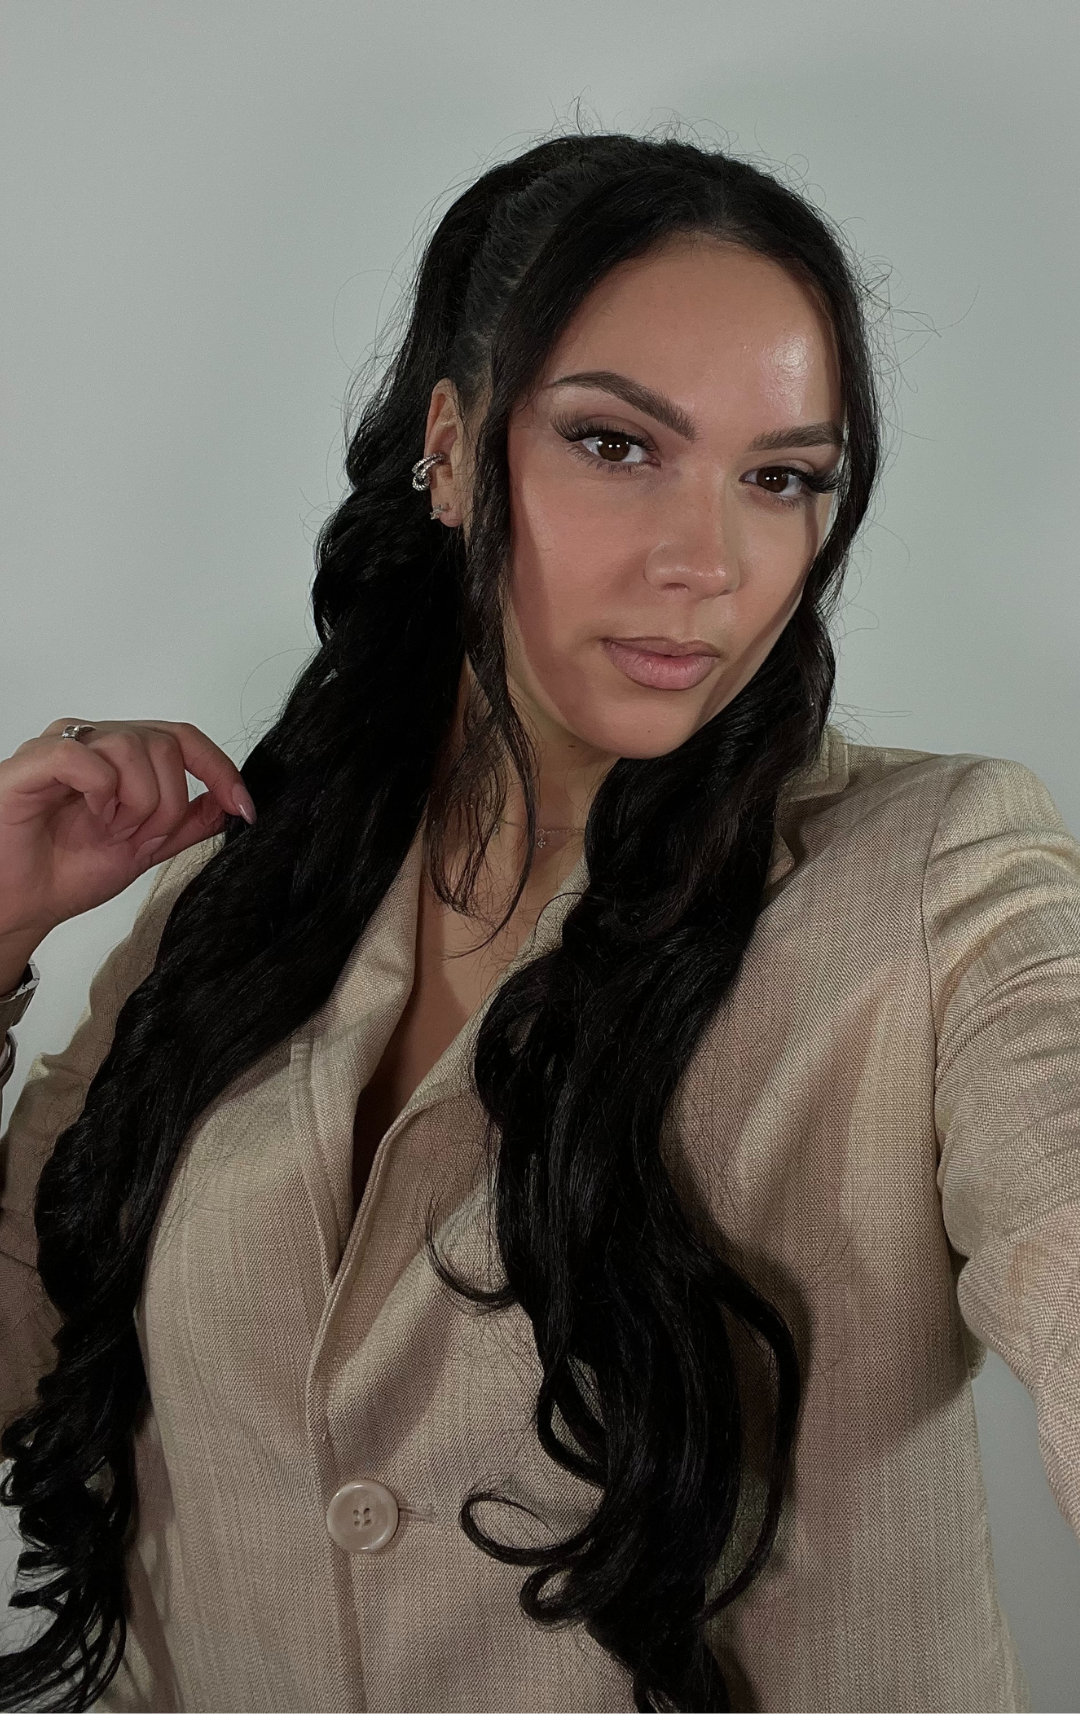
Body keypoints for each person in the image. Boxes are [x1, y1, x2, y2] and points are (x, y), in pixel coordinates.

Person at [0, 133, 1076, 1714]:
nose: (706, 562)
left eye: (782, 477)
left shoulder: (936, 877)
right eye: (616, 445)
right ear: (449, 449)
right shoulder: (236, 902)